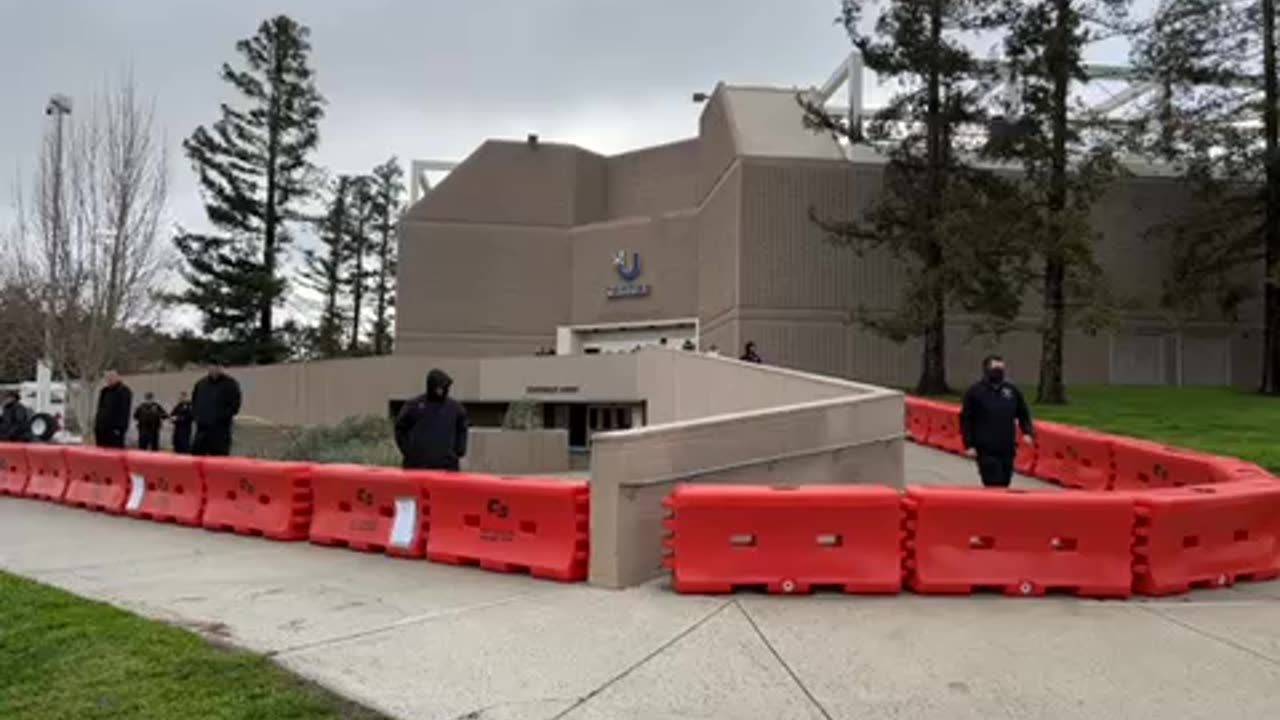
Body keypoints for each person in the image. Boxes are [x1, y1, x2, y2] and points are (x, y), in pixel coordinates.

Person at [960, 355, 1035, 488]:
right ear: (986, 370)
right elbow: (966, 419)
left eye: (1001, 369)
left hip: (1007, 446)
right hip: (986, 448)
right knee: (993, 481)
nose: (999, 372)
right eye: (995, 368)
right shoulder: (975, 392)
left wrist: (1027, 432)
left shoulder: (1011, 391)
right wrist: (969, 444)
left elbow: (1022, 413)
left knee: (1005, 481)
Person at [395, 368, 469, 471]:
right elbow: (400, 428)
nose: (442, 390)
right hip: (417, 467)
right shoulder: (414, 406)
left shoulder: (455, 409)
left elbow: (462, 428)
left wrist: (459, 451)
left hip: (447, 468)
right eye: (439, 387)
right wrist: (409, 452)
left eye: (444, 387)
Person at [191, 362, 242, 457]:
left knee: (219, 460)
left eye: (216, 366)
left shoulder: (230, 384)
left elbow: (235, 405)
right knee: (196, 458)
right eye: (211, 366)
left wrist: (220, 418)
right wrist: (197, 417)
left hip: (220, 431)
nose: (213, 369)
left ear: (221, 367)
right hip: (202, 430)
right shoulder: (201, 384)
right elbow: (194, 402)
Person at [94, 370, 132, 449]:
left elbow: (124, 411)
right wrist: (97, 425)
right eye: (107, 378)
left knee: (114, 452)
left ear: (117, 377)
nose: (109, 380)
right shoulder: (104, 391)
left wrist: (120, 428)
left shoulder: (124, 391)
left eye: (111, 377)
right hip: (101, 429)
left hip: (114, 430)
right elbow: (100, 409)